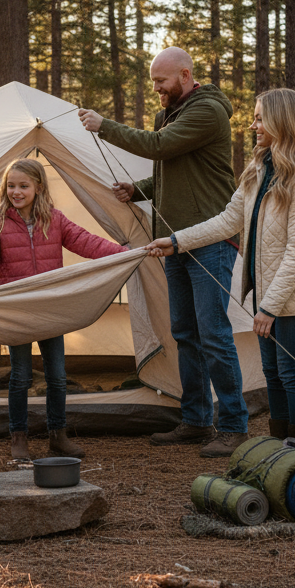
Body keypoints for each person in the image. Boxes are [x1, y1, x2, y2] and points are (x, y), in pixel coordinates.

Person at [77, 46, 247, 458]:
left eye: (162, 82)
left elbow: (159, 146)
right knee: (185, 334)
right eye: (153, 82)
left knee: (213, 334)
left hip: (209, 240)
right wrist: (140, 190)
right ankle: (195, 420)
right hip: (174, 243)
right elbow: (168, 168)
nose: (157, 90)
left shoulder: (208, 112)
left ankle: (235, 426)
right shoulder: (169, 112)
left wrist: (104, 126)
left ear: (186, 75)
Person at [147, 88, 295, 448]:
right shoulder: (259, 170)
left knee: (291, 374)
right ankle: (280, 450)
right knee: (272, 374)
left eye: (260, 118)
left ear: (283, 121)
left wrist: (268, 308)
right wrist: (176, 241)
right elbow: (227, 220)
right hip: (267, 294)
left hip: (291, 295)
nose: (253, 125)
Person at [0, 158, 126, 461]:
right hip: (17, 312)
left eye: (23, 186)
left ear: (38, 187)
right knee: (20, 376)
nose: (16, 192)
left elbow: (87, 243)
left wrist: (124, 253)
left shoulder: (55, 220)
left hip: (50, 310)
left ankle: (57, 435)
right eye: (11, 186)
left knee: (57, 376)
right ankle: (18, 437)